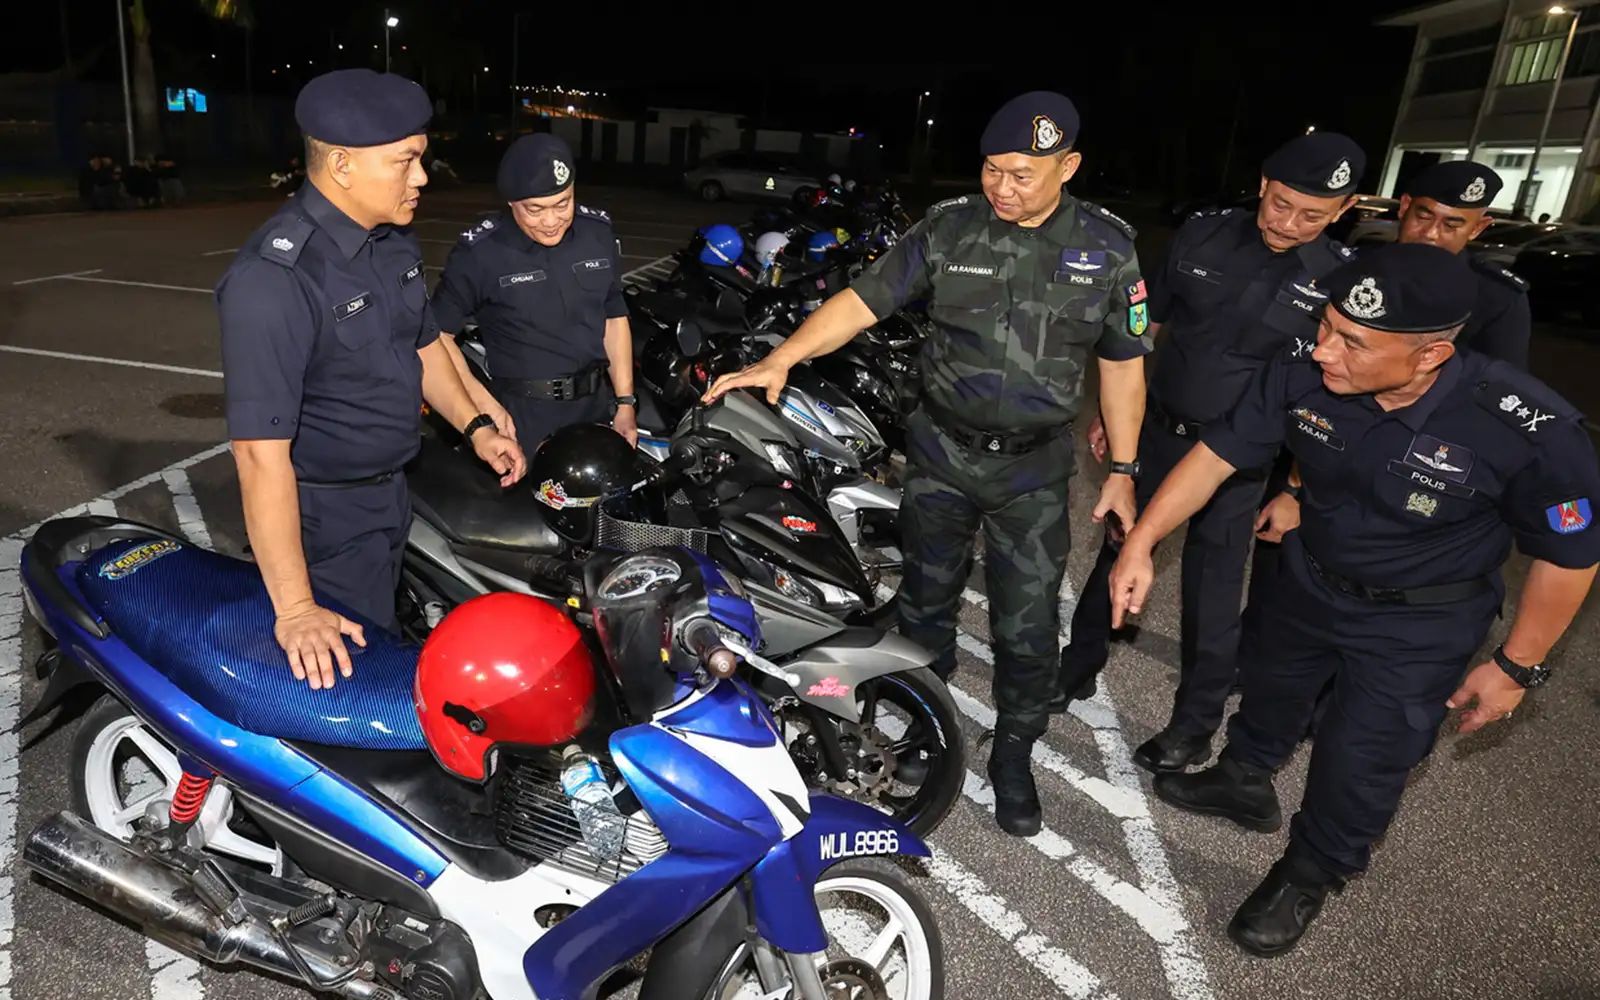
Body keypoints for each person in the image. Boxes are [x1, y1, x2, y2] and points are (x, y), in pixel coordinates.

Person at [1107, 242, 1600, 956]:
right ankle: (1244, 780)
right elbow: (1219, 455)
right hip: (1312, 576)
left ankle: (1310, 872)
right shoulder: (1306, 368)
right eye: (1329, 326)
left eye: (1353, 342)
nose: (1325, 349)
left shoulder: (1526, 429)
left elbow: (1570, 556)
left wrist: (1518, 667)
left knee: (1363, 754)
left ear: (1428, 356)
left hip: (1421, 619)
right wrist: (1142, 541)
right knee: (1272, 684)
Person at [703, 91, 1151, 837]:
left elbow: (1125, 366)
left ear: (1067, 167)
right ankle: (921, 722)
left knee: (1029, 626)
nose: (1001, 188)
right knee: (923, 604)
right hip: (940, 455)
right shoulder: (949, 227)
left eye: (1022, 175)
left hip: (1031, 475)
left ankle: (1013, 753)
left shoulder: (1106, 249)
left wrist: (1126, 470)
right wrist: (780, 359)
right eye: (991, 171)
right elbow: (861, 302)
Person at [1058, 132, 1363, 772]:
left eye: (1312, 215)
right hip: (1159, 428)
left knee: (1213, 593)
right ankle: (1072, 671)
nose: (1289, 223)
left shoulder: (1344, 281)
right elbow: (1147, 326)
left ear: (1343, 208)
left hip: (1241, 458)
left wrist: (1297, 488)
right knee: (1118, 547)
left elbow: (1332, 397)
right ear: (1262, 184)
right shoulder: (1202, 234)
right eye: (1280, 204)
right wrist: (1117, 419)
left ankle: (1192, 726)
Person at [215, 68, 525, 691]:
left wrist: (475, 424)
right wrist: (298, 609)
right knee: (346, 687)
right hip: (325, 517)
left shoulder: (390, 242)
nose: (421, 177)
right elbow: (257, 454)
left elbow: (423, 344)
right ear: (341, 165)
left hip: (394, 493)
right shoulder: (275, 280)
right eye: (405, 161)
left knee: (389, 640)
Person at [430, 133, 638, 449]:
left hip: (596, 408)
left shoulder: (597, 233)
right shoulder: (481, 253)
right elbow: (434, 337)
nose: (551, 221)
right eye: (535, 209)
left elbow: (613, 315)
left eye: (562, 203)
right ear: (511, 202)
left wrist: (625, 402)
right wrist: (482, 406)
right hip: (521, 420)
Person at [1394, 160, 1531, 368]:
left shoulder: (1498, 296)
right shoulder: (1355, 265)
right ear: (1404, 207)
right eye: (1422, 217)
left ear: (1477, 228)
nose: (1431, 234)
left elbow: (1499, 382)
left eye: (1451, 225)